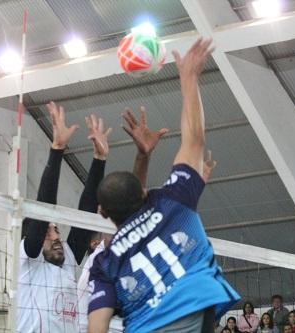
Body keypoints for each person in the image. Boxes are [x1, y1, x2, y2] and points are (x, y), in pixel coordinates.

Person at [87, 38, 240, 333]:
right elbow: (194, 139)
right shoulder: (173, 200)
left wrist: (143, 157)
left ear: (103, 212)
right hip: (195, 304)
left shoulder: (104, 263)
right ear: (144, 193)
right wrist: (188, 79)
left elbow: (97, 328)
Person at [17, 102, 112, 332]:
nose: (56, 236)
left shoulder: (67, 259)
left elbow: (84, 215)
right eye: (48, 232)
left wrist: (99, 160)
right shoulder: (30, 262)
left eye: (56, 229)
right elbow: (44, 210)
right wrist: (57, 149)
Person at [76, 107, 168, 333]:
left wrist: (142, 156)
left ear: (102, 212)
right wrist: (142, 155)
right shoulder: (97, 259)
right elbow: (131, 198)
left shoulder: (129, 258)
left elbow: (131, 200)